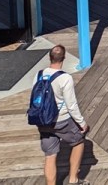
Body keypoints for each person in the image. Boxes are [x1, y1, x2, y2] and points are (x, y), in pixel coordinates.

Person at [36, 45, 89, 185]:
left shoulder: (39, 74)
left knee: (50, 155)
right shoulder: (65, 78)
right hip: (62, 120)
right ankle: (73, 179)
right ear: (63, 59)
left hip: (43, 121)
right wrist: (82, 123)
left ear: (50, 57)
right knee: (78, 141)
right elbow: (71, 105)